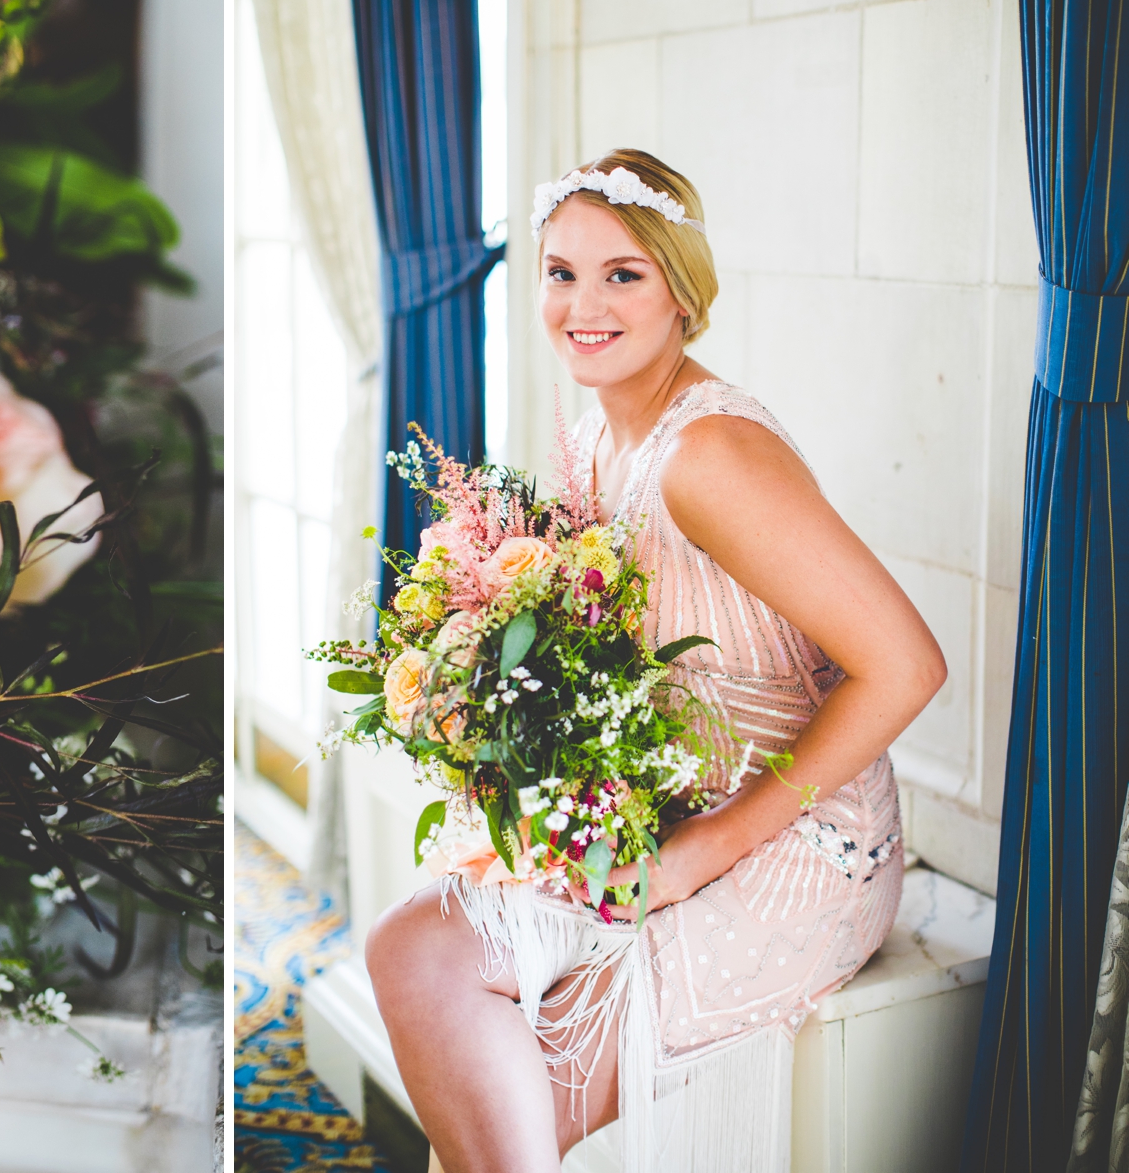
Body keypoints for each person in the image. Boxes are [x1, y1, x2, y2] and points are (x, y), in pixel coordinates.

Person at [363, 148, 947, 1173]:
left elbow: (906, 664)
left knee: (505, 1098)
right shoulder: (590, 442)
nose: (583, 303)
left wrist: (696, 853)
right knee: (405, 949)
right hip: (668, 806)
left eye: (622, 273)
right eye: (561, 271)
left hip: (802, 845)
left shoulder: (710, 456)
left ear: (681, 292)